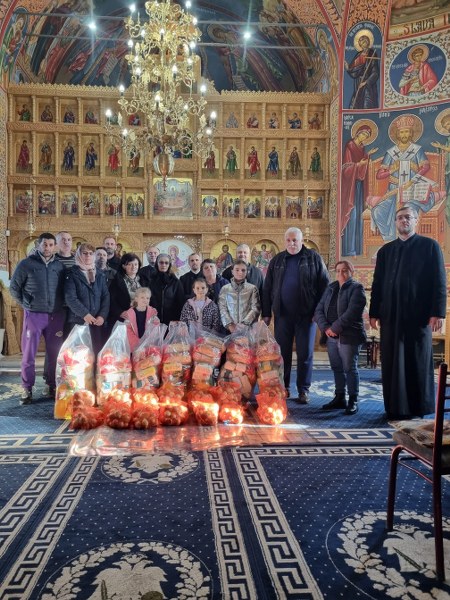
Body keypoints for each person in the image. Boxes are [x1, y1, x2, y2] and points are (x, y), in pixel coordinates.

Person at [369, 204, 447, 420]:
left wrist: (438, 312)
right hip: (391, 316)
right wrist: (374, 312)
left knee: (416, 360)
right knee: (392, 362)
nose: (404, 220)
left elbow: (439, 281)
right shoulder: (385, 251)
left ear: (416, 221)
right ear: (395, 222)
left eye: (408, 217)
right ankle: (394, 407)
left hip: (418, 316)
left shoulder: (430, 246)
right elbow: (377, 284)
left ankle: (418, 407)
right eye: (400, 217)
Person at [262, 227, 329, 404]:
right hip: (282, 315)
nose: (292, 243)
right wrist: (267, 313)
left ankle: (303, 390)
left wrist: (318, 312)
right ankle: (283, 387)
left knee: (305, 353)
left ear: (301, 240)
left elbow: (324, 286)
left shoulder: (314, 258)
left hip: (306, 316)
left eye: (295, 240)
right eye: (288, 240)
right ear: (284, 241)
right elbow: (267, 287)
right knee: (281, 354)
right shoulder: (277, 260)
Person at [9, 233, 66, 404]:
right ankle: (27, 388)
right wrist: (27, 305)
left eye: (50, 245)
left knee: (54, 353)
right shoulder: (26, 264)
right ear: (38, 245)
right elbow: (14, 288)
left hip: (56, 315)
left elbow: (65, 289)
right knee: (29, 353)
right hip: (34, 315)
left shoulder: (59, 266)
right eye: (44, 244)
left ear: (54, 246)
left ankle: (51, 385)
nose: (47, 248)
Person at [372, 114, 437, 242]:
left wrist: (413, 176)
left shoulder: (416, 150)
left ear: (411, 133)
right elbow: (379, 175)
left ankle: (410, 241)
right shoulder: (391, 152)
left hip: (412, 189)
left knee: (407, 211)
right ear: (398, 134)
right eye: (402, 132)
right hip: (393, 190)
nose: (404, 134)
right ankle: (390, 241)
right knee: (377, 211)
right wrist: (392, 169)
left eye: (407, 132)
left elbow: (426, 167)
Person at [314, 260, 367, 415]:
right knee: (337, 367)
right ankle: (340, 397)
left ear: (351, 272)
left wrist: (335, 328)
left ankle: (353, 400)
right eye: (338, 270)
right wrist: (326, 328)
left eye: (344, 270)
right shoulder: (330, 288)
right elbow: (318, 310)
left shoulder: (357, 288)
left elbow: (352, 313)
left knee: (349, 368)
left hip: (349, 336)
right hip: (331, 336)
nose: (340, 273)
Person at [64, 243, 110, 355]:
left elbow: (105, 296)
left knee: (96, 352)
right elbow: (70, 298)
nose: (88, 256)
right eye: (84, 253)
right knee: (78, 355)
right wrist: (85, 314)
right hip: (78, 320)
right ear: (79, 255)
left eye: (90, 253)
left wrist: (102, 315)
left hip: (96, 321)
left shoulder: (100, 274)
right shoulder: (71, 273)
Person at [341, 124, 377, 257]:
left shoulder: (362, 148)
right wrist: (359, 164)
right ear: (357, 133)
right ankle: (349, 249)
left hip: (358, 186)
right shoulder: (350, 146)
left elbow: (362, 165)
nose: (364, 137)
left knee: (359, 216)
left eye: (367, 136)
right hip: (349, 186)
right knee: (352, 214)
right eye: (363, 134)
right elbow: (346, 168)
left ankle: (357, 249)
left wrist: (367, 157)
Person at [218, 261, 261, 333]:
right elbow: (222, 308)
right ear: (232, 271)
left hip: (248, 328)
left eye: (243, 270)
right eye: (237, 270)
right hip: (229, 329)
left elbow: (255, 308)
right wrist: (230, 325)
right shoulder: (225, 289)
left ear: (247, 272)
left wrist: (245, 324)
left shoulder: (252, 288)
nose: (240, 272)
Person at [344, 32, 379, 109]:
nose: (363, 44)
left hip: (367, 84)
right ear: (360, 44)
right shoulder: (358, 55)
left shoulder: (372, 53)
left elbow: (375, 72)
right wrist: (348, 68)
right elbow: (354, 72)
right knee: (355, 104)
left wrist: (366, 82)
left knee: (367, 103)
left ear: (368, 42)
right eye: (362, 43)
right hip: (358, 82)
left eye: (365, 42)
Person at [108, 252, 143, 329]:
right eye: (130, 264)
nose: (133, 267)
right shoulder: (117, 281)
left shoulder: (143, 280)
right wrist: (120, 312)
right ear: (124, 266)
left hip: (141, 318)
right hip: (124, 318)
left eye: (136, 264)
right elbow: (111, 300)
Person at [149, 253, 185, 325]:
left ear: (169, 265)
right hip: (154, 320)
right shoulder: (150, 280)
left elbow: (181, 303)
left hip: (172, 321)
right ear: (157, 264)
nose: (164, 265)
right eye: (161, 262)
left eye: (166, 263)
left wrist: (178, 320)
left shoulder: (176, 282)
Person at [123, 287, 159, 352]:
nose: (145, 300)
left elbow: (156, 327)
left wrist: (148, 341)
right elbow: (127, 330)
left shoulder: (152, 313)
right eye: (142, 297)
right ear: (136, 299)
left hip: (149, 345)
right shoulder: (130, 313)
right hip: (135, 347)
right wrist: (137, 343)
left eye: (147, 298)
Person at [431, 113, 450, 223]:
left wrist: (441, 147)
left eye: (448, 123)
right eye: (445, 125)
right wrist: (440, 149)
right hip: (448, 171)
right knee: (447, 199)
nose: (447, 126)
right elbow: (446, 153)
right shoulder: (448, 139)